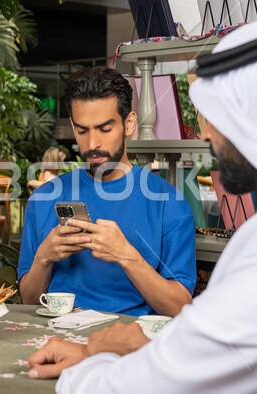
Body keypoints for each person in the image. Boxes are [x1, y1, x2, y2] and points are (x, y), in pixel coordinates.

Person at [27, 8, 257, 392]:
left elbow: (151, 382)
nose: (206, 134)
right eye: (82, 130)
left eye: (213, 115)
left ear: (253, 120)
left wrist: (97, 353)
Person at [18, 66, 196, 317]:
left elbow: (180, 308)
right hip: (56, 338)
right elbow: (28, 301)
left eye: (104, 129)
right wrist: (44, 258)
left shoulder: (169, 203)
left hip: (130, 343)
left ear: (129, 123)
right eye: (82, 130)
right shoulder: (43, 198)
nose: (92, 144)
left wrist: (126, 256)